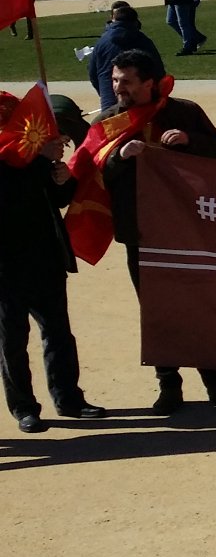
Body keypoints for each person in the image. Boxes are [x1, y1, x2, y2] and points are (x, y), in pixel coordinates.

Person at [92, 51, 216, 413]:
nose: (118, 88)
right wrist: (119, 157)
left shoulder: (184, 112)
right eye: (115, 80)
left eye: (127, 81)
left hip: (188, 231)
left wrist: (189, 140)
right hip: (140, 234)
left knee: (201, 308)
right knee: (157, 313)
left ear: (149, 83)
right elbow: (95, 172)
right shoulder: (110, 121)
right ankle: (169, 386)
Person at [0, 91, 100, 433]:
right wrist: (40, 159)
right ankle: (24, 407)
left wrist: (61, 176)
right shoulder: (20, 157)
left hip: (45, 256)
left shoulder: (35, 156)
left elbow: (58, 197)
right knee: (13, 340)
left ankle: (68, 398)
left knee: (58, 332)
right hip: (6, 266)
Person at [86, 3, 161, 114]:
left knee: (111, 125)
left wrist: (104, 92)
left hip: (109, 101)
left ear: (113, 20)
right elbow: (158, 71)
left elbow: (92, 73)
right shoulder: (143, 40)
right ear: (135, 21)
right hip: (140, 102)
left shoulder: (102, 42)